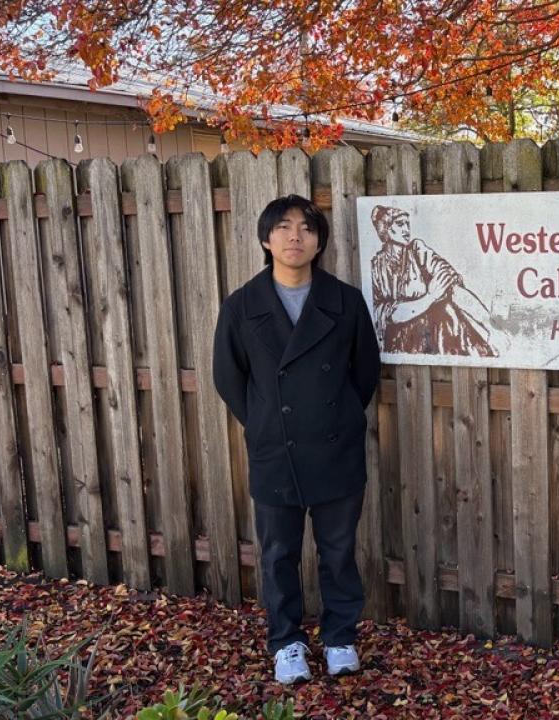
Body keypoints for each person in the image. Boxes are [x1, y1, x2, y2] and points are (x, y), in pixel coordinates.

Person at [213, 194, 380, 685]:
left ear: (319, 241)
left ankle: (340, 638)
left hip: (336, 448)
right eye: (284, 228)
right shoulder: (242, 305)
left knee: (338, 551)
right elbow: (229, 377)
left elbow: (364, 373)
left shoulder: (345, 301)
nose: (295, 236)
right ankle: (286, 641)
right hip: (274, 451)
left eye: (306, 228)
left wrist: (342, 415)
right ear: (267, 239)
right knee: (278, 553)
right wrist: (266, 421)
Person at [368, 205, 508, 357]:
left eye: (408, 223)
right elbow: (391, 314)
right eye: (400, 224)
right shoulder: (375, 268)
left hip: (437, 336)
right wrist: (430, 297)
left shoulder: (417, 250)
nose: (406, 229)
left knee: (448, 312)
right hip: (401, 345)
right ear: (386, 229)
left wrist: (492, 329)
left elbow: (452, 287)